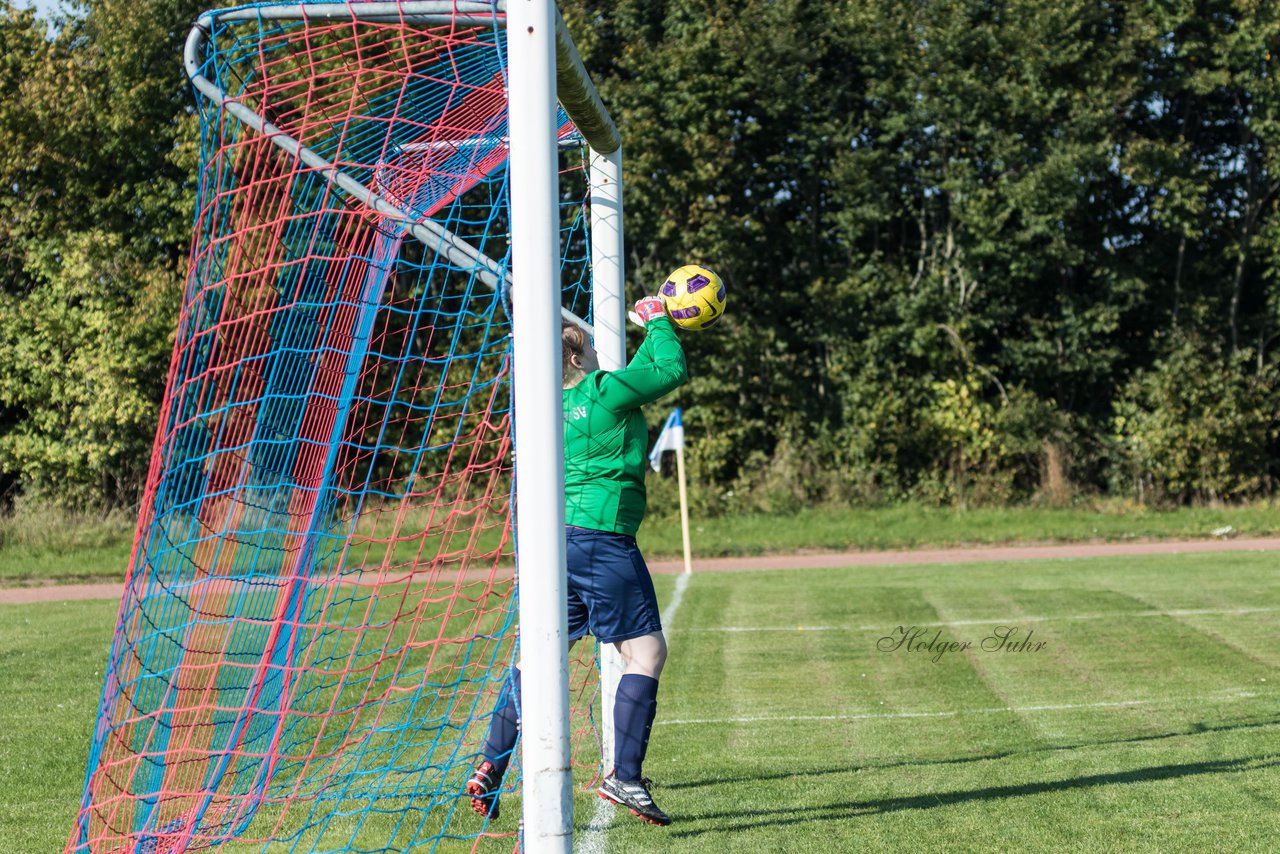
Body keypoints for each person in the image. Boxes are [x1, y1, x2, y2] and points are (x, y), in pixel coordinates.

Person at [466, 294, 687, 827]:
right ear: (571, 358)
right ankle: (625, 778)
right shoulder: (605, 391)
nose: (594, 355)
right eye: (588, 347)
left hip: (553, 541)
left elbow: (642, 374)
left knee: (538, 657)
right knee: (646, 653)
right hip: (601, 537)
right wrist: (657, 317)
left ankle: (490, 764)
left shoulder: (541, 406)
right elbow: (670, 369)